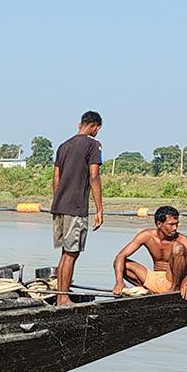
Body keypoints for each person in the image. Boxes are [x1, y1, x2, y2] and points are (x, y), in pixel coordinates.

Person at [50, 111, 105, 305]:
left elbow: (55, 179)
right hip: (75, 206)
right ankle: (63, 297)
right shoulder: (93, 144)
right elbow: (94, 177)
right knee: (72, 253)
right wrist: (99, 209)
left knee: (65, 253)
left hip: (59, 205)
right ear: (96, 127)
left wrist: (58, 200)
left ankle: (60, 295)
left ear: (79, 124)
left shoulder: (63, 146)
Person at [113, 206, 187, 299]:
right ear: (159, 224)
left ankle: (174, 290)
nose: (175, 228)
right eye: (171, 224)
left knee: (178, 247)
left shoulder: (183, 240)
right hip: (155, 279)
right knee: (121, 262)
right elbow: (121, 255)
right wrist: (119, 282)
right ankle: (149, 291)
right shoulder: (147, 235)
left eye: (176, 224)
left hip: (174, 280)